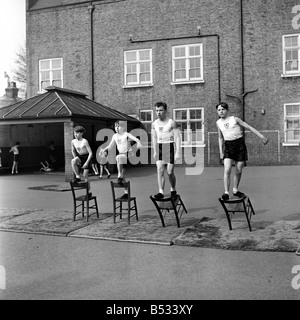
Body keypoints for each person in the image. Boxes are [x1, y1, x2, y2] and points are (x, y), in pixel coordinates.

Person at [216, 102, 269, 200]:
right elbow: (220, 138)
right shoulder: (218, 123)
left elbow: (248, 127)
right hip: (228, 146)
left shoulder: (234, 119)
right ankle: (226, 192)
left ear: (227, 110)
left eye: (223, 109)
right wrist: (221, 152)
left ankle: (235, 190)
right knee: (227, 169)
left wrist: (262, 137)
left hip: (239, 145)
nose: (221, 111)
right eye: (219, 110)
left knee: (239, 169)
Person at [101, 120, 142, 199]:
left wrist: (139, 143)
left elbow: (136, 139)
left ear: (123, 127)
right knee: (123, 176)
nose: (117, 128)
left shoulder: (126, 134)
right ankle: (126, 193)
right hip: (121, 156)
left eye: (118, 126)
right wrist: (104, 150)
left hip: (129, 155)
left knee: (118, 157)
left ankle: (119, 175)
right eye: (115, 126)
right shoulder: (115, 136)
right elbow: (110, 146)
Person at [151, 101, 181, 200]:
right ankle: (161, 192)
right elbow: (154, 138)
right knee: (159, 169)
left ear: (165, 111)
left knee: (169, 171)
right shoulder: (154, 124)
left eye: (160, 110)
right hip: (160, 146)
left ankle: (173, 189)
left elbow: (177, 137)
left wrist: (177, 152)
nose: (158, 112)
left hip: (169, 146)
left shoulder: (171, 122)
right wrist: (155, 151)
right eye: (157, 110)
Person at [71, 126, 93, 198]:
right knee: (73, 161)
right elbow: (73, 150)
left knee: (85, 175)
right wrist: (76, 159)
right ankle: (77, 176)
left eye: (77, 133)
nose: (75, 134)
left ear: (81, 133)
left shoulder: (84, 141)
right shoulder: (73, 141)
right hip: (80, 157)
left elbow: (90, 153)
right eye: (74, 133)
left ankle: (89, 192)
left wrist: (87, 162)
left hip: (87, 157)